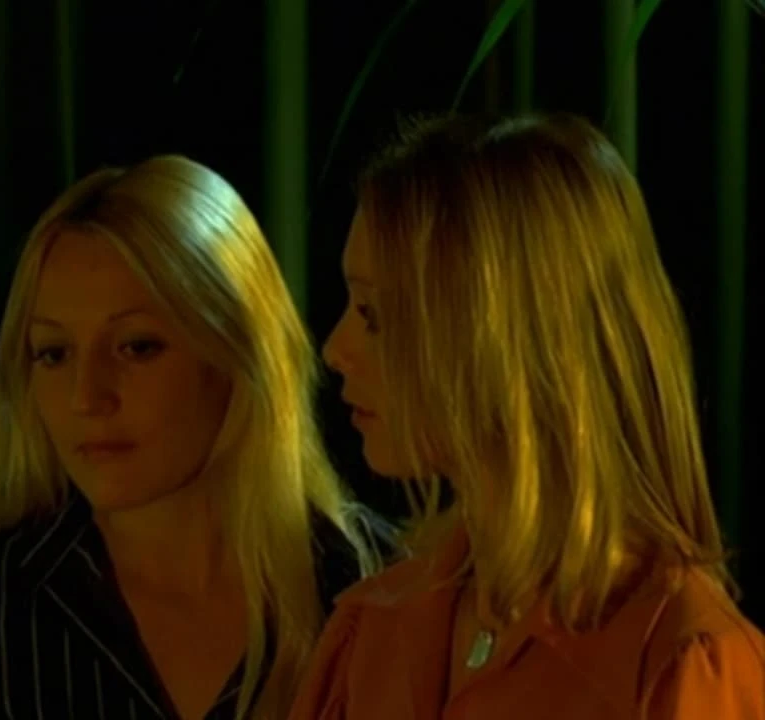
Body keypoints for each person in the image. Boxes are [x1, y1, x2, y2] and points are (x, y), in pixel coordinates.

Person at [288, 113, 765, 719]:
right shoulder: (371, 634)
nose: (335, 349)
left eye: (374, 315)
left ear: (506, 337)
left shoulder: (677, 665)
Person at [0, 155, 394, 720]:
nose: (87, 397)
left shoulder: (377, 588)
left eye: (136, 347)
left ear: (238, 356)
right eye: (54, 354)